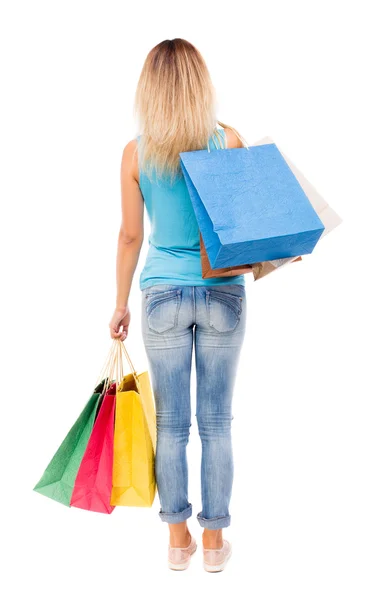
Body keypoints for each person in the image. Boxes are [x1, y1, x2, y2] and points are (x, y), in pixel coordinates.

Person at [109, 38, 247, 573]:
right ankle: (214, 544)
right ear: (200, 84)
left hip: (161, 294)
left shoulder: (135, 153)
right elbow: (249, 229)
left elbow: (128, 237)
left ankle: (177, 539)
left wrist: (119, 303)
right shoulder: (229, 142)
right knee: (216, 421)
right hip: (223, 295)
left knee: (171, 424)